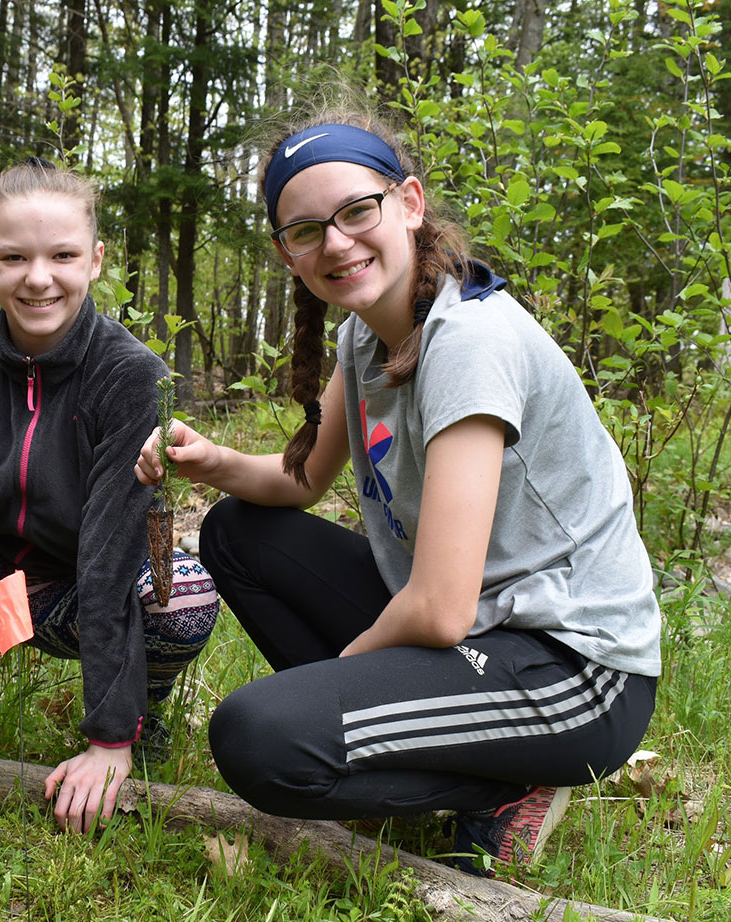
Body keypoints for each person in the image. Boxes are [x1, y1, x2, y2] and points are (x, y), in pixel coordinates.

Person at [135, 103, 661, 876]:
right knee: (239, 534)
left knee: (257, 737)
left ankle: (506, 787)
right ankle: (428, 754)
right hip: (483, 630)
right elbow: (304, 481)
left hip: (576, 671)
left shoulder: (471, 342)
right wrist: (208, 460)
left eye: (356, 211)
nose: (337, 243)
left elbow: (440, 607)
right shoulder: (365, 334)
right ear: (288, 254)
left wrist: (339, 677)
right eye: (307, 230)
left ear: (409, 203)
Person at [0, 159, 219, 834]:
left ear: (94, 260)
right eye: (14, 257)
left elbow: (110, 557)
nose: (38, 278)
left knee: (184, 593)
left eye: (62, 255)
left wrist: (108, 736)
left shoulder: (132, 377)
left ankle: (138, 715)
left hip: (72, 592)